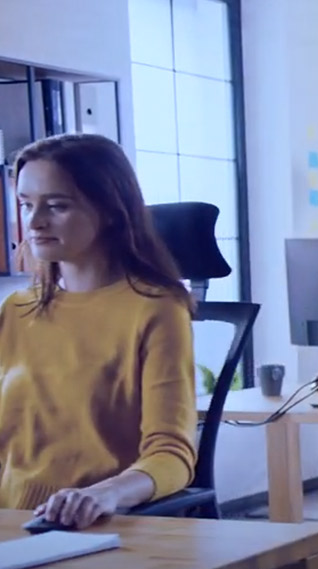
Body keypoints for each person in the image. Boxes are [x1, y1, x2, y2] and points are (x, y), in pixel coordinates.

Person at [0, 133, 197, 528]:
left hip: (93, 524)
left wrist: (106, 493)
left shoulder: (156, 309)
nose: (34, 222)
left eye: (57, 206)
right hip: (10, 522)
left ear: (110, 210)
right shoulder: (16, 310)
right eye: (25, 205)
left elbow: (171, 454)